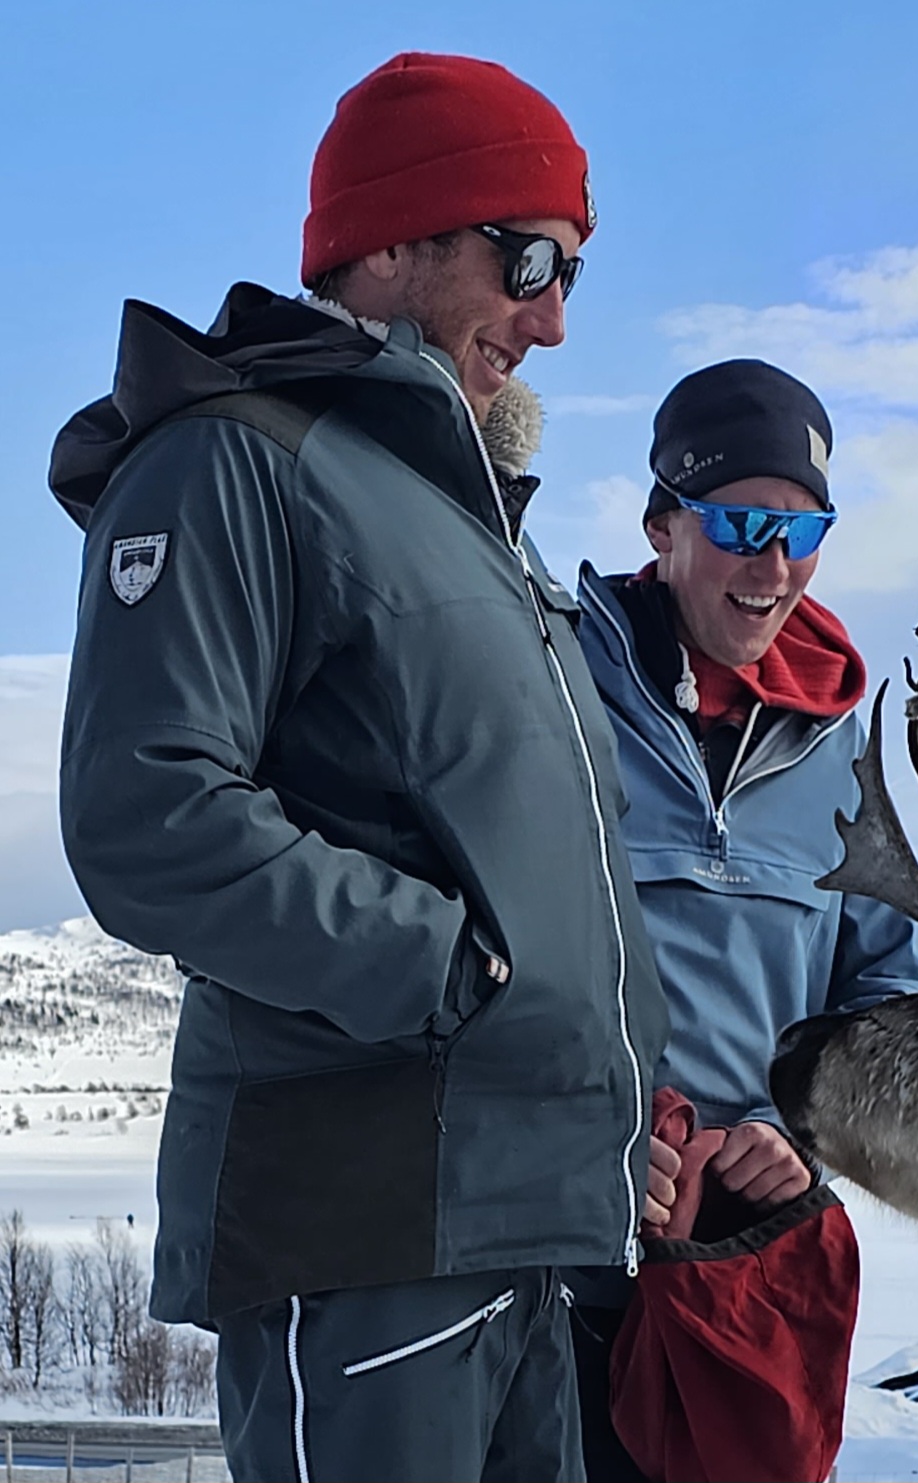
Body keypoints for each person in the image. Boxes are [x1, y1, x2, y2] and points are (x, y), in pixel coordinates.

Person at [49, 53, 666, 1483]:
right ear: (390, 245)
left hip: (517, 1223)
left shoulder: (470, 533)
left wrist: (627, 1097)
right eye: (529, 258)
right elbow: (150, 814)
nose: (555, 316)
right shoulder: (236, 460)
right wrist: (450, 972)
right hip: (367, 1222)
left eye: (573, 269)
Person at [572, 360, 918, 1481]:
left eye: (804, 529)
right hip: (564, 1259)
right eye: (740, 524)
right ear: (662, 524)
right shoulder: (557, 691)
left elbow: (887, 1003)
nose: (773, 567)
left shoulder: (839, 754)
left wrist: (801, 1134)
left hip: (742, 1269)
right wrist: (591, 1146)